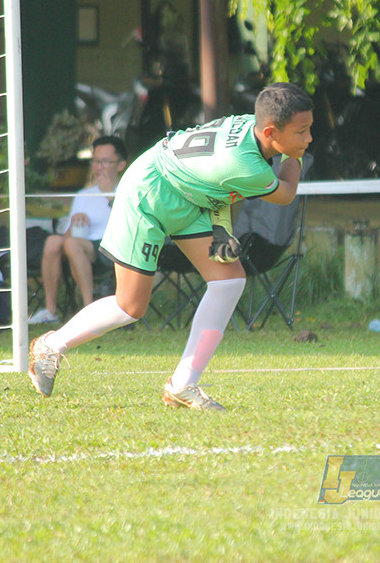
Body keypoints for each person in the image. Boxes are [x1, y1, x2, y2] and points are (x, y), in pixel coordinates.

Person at [28, 82, 313, 410]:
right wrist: (295, 155)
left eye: (309, 129)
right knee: (130, 307)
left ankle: (183, 384)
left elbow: (212, 180)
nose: (308, 138)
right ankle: (52, 345)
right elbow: (285, 192)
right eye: (301, 131)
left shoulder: (250, 125)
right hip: (148, 195)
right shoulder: (246, 164)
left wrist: (221, 226)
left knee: (229, 281)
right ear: (270, 131)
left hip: (184, 193)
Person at [28, 135, 128, 324]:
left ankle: (89, 309)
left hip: (115, 247)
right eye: (95, 161)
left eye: (105, 162)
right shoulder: (84, 194)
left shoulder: (127, 190)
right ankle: (50, 310)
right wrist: (75, 223)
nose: (99, 167)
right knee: (54, 241)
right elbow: (67, 237)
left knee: (72, 244)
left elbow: (130, 224)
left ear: (120, 165)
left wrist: (110, 195)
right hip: (82, 248)